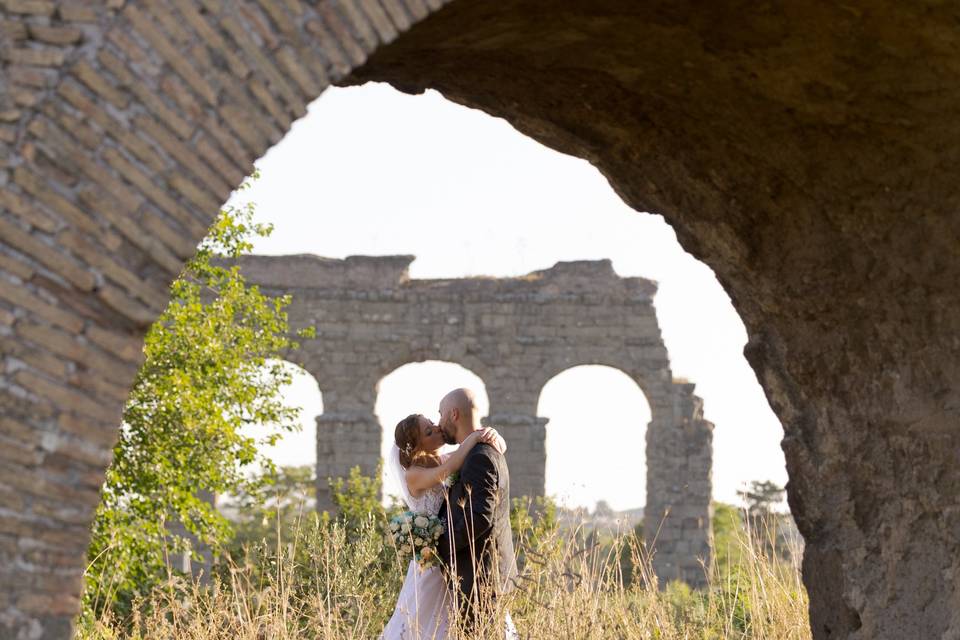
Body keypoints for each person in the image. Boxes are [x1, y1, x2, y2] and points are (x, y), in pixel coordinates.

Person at [381, 411, 505, 640]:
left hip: (455, 551)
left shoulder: (444, 457)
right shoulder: (414, 475)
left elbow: (492, 450)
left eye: (432, 423)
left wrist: (493, 435)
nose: (437, 428)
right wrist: (474, 437)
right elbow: (450, 469)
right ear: (417, 446)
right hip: (432, 558)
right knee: (423, 623)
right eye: (429, 432)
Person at [436, 388, 519, 637]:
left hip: (480, 576)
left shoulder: (479, 457)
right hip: (482, 575)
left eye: (440, 415)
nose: (438, 422)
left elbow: (479, 517)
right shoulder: (477, 452)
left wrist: (438, 545)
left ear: (453, 414)